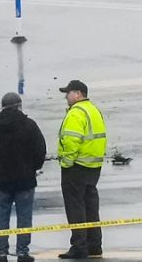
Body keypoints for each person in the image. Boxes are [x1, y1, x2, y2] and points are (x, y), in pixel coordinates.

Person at [0, 92, 46, 262]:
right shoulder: (30, 125)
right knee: (24, 216)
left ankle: (1, 252)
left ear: (2, 106)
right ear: (19, 105)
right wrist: (33, 168)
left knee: (1, 216)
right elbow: (40, 150)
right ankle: (22, 252)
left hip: (2, 180)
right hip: (25, 179)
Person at [57, 80, 107, 259]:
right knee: (91, 206)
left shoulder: (76, 113)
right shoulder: (94, 110)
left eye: (68, 93)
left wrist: (66, 163)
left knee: (75, 207)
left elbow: (72, 141)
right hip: (93, 166)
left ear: (78, 93)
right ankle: (95, 245)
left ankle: (79, 246)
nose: (66, 97)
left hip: (76, 167)